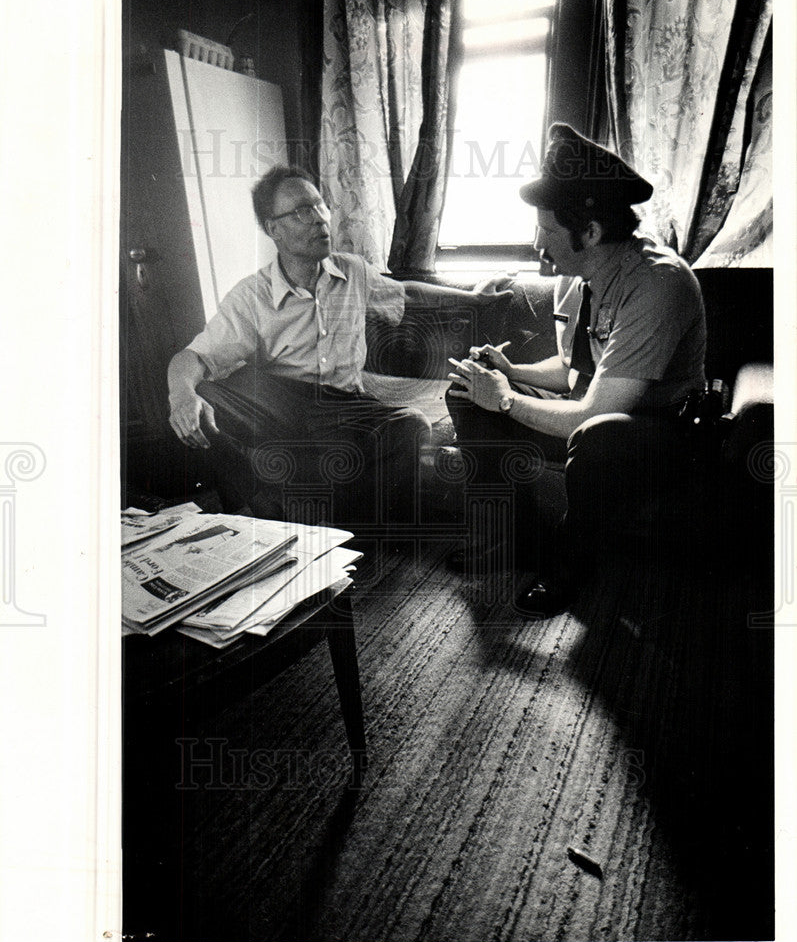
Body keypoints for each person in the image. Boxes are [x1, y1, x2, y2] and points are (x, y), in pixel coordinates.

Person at [446, 123, 707, 616]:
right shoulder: (576, 274)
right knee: (464, 392)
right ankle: (510, 540)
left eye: (546, 230)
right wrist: (509, 370)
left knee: (599, 434)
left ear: (590, 231)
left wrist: (504, 397)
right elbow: (571, 371)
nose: (537, 243)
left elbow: (596, 411)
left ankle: (569, 566)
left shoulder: (658, 283)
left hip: (656, 434)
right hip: (594, 415)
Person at [168, 164, 512, 527]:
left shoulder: (353, 272)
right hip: (282, 406)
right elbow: (192, 357)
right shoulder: (251, 296)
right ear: (274, 230)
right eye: (303, 211)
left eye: (320, 206)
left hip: (345, 407)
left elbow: (407, 293)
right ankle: (263, 505)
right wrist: (181, 395)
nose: (319, 220)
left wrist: (473, 298)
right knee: (206, 396)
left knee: (412, 425)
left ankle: (330, 521)